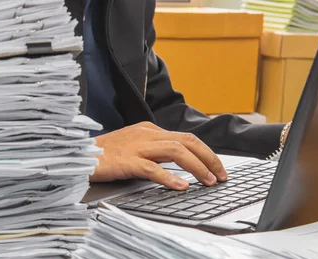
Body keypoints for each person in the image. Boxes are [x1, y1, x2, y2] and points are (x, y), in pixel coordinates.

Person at [65, 0, 290, 190]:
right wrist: (80, 157)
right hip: (47, 198)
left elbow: (160, 115)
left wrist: (284, 137)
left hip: (125, 192)